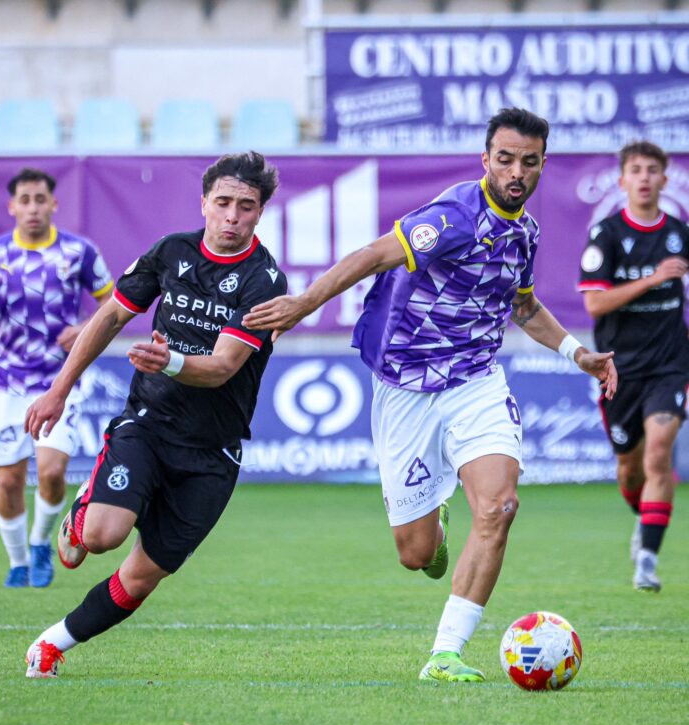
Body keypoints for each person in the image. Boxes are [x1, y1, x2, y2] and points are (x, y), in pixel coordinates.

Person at [243, 107, 617, 684]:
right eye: (506, 159)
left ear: (544, 165)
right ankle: (433, 523)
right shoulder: (454, 217)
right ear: (485, 159)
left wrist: (577, 354)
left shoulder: (526, 231)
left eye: (530, 162)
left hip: (476, 382)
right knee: (416, 555)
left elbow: (523, 307)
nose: (517, 172)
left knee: (499, 508)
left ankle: (445, 654)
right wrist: (301, 305)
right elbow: (371, 255)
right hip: (405, 389)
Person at [23, 151, 286, 677]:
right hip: (148, 424)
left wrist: (171, 361)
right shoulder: (172, 252)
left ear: (260, 213)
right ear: (205, 202)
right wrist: (59, 389)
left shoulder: (266, 281)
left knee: (140, 578)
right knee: (99, 539)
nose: (232, 216)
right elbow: (112, 315)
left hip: (213, 452)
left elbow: (223, 367)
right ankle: (82, 514)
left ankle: (50, 644)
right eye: (224, 203)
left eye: (246, 207)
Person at [0, 167, 114, 589]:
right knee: (7, 480)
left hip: (60, 381)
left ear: (53, 204)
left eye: (39, 199)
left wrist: (84, 328)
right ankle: (19, 561)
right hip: (6, 383)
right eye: (23, 200)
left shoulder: (78, 253)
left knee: (49, 472)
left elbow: (114, 302)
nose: (32, 208)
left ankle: (42, 543)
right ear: (11, 207)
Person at [578, 141, 688, 592]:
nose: (644, 177)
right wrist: (653, 279)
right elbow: (595, 303)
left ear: (665, 179)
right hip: (619, 369)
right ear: (623, 180)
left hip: (670, 363)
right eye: (635, 170)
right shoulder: (605, 234)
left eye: (652, 170)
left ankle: (647, 558)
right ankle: (643, 518)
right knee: (630, 467)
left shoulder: (680, 232)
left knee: (660, 451)